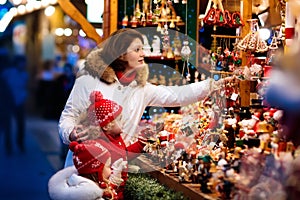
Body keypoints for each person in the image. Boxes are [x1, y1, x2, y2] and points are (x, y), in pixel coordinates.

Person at [58, 28, 233, 167]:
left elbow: (178, 95)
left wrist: (215, 83)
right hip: (83, 165)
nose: (143, 54)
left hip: (116, 168)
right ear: (120, 54)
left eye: (142, 48)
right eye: (137, 49)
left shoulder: (142, 89)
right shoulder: (89, 81)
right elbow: (68, 116)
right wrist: (71, 133)